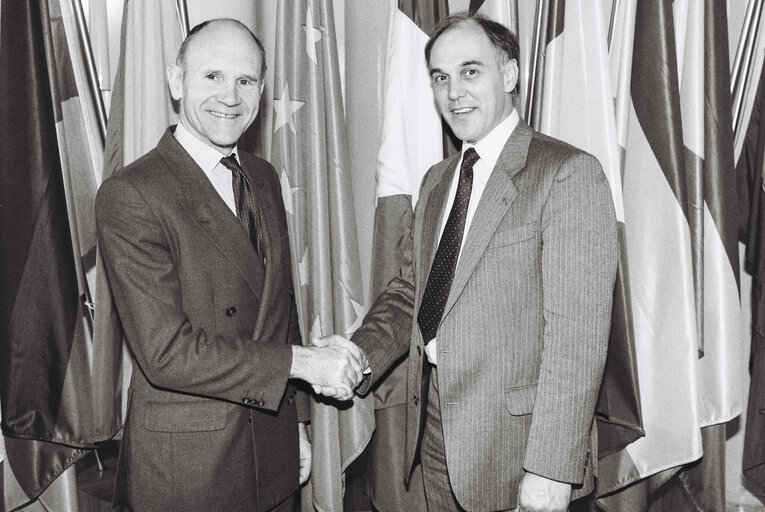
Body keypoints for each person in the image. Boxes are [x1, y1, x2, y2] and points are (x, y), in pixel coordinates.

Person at [320, 12, 617, 512]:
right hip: (435, 431)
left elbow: (578, 343)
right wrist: (358, 354)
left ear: (509, 75)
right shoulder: (438, 180)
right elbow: (412, 295)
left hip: (520, 447)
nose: (454, 91)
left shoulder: (567, 173)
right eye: (441, 77)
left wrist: (550, 469)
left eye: (470, 71)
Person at [96, 18, 366, 512]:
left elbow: (279, 310)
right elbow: (166, 353)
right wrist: (305, 365)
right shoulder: (132, 193)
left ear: (262, 90)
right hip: (190, 469)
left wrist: (298, 425)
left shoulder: (261, 176)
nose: (230, 96)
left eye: (245, 81)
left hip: (272, 450)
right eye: (212, 77)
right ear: (177, 82)